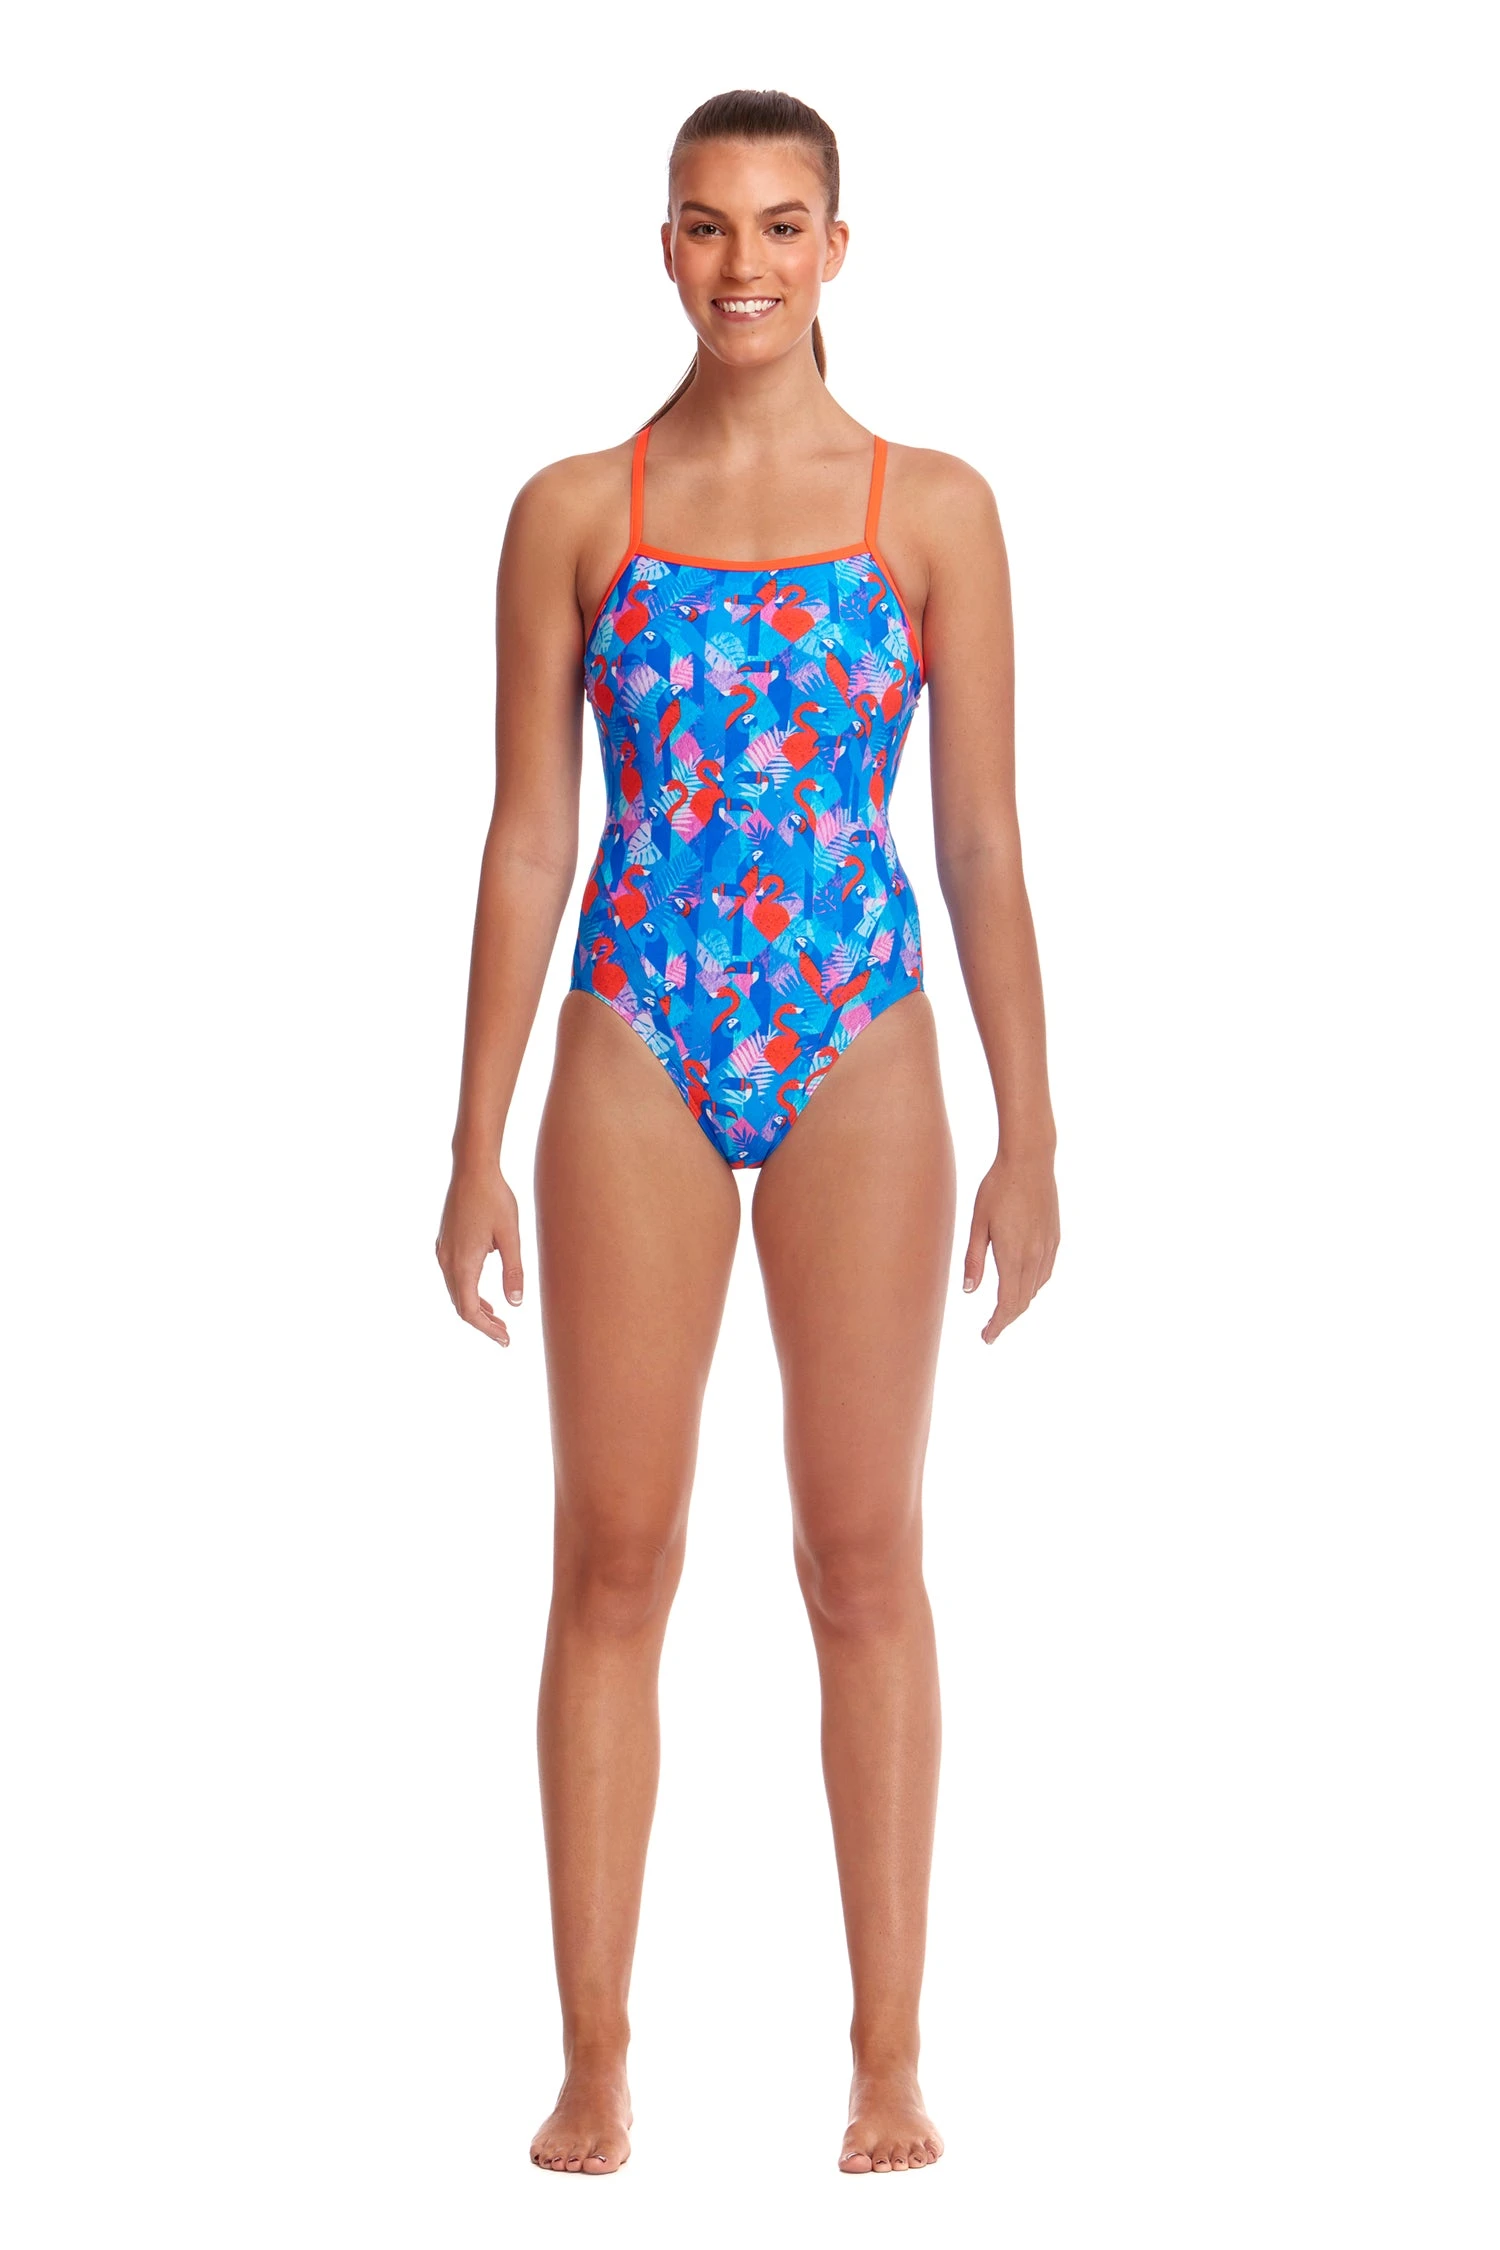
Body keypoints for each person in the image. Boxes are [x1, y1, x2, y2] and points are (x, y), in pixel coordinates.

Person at [435, 86, 1060, 2176]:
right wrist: (471, 1138)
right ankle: (596, 2053)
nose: (746, 263)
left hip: (860, 1028)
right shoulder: (575, 513)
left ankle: (889, 2055)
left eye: (784, 224)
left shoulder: (932, 509)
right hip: (635, 1025)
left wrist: (1033, 1128)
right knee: (613, 1552)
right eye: (708, 225)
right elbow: (529, 841)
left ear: (840, 248)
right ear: (664, 247)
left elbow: (981, 843)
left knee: (861, 1553)